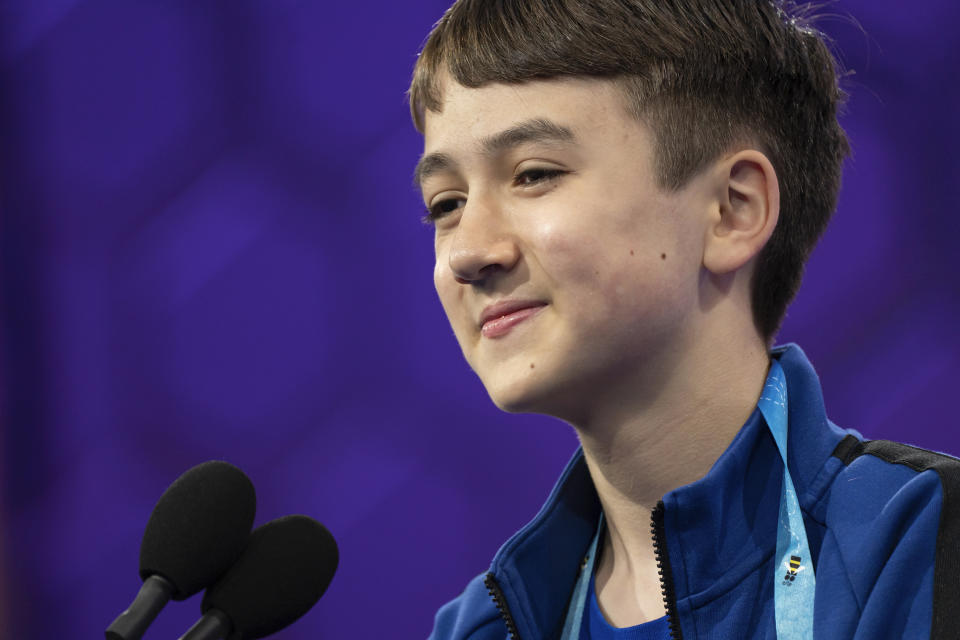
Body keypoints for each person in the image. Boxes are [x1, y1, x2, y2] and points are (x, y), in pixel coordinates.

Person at [408, 1, 959, 638]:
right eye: (445, 204)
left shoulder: (918, 543)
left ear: (732, 209)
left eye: (534, 174)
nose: (469, 252)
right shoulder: (478, 628)